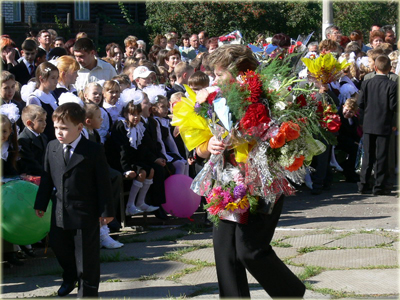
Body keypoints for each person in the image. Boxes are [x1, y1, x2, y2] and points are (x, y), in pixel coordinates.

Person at [196, 44, 306, 298]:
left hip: (261, 181)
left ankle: (291, 293)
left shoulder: (267, 99)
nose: (214, 80)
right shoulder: (214, 102)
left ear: (239, 73)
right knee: (225, 252)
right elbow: (199, 148)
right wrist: (208, 145)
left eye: (219, 74)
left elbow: (279, 139)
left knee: (249, 250)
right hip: (226, 182)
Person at [34, 102, 114, 297]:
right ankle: (70, 277)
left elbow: (103, 183)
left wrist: (106, 212)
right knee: (60, 247)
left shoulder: (93, 150)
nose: (59, 133)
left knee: (86, 256)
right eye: (56, 128)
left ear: (79, 128)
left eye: (64, 128)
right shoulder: (52, 147)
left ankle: (87, 291)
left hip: (85, 212)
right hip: (60, 210)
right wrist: (41, 203)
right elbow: (47, 177)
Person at [107, 96, 159, 215]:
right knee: (141, 173)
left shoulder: (140, 126)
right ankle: (130, 205)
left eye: (138, 114)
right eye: (133, 114)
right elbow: (122, 150)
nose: (136, 117)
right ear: (126, 114)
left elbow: (142, 147)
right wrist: (126, 169)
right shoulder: (121, 126)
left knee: (150, 171)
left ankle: (140, 202)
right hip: (120, 161)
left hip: (133, 159)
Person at [357, 55, 397, 195]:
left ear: (375, 67)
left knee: (367, 155)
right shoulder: (392, 85)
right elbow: (393, 106)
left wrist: (362, 120)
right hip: (384, 123)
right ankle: (379, 186)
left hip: (368, 123)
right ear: (390, 69)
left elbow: (360, 103)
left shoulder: (367, 83)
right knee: (381, 156)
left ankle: (363, 184)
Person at [26, 62, 59, 141]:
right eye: (53, 78)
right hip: (45, 140)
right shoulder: (35, 98)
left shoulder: (52, 96)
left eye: (57, 78)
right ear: (42, 79)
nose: (56, 81)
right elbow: (34, 126)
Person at [18, 104, 48, 176]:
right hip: (32, 177)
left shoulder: (43, 136)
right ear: (29, 123)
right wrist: (47, 174)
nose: (45, 123)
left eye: (45, 120)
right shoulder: (23, 140)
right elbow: (31, 163)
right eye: (40, 120)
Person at [336, 98, 361, 182]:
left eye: (350, 112)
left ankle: (352, 169)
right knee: (354, 148)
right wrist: (353, 142)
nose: (347, 113)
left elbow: (354, 133)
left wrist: (359, 141)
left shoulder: (354, 119)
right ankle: (349, 172)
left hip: (347, 140)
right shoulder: (338, 117)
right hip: (339, 140)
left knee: (359, 147)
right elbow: (339, 134)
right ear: (343, 107)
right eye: (346, 110)